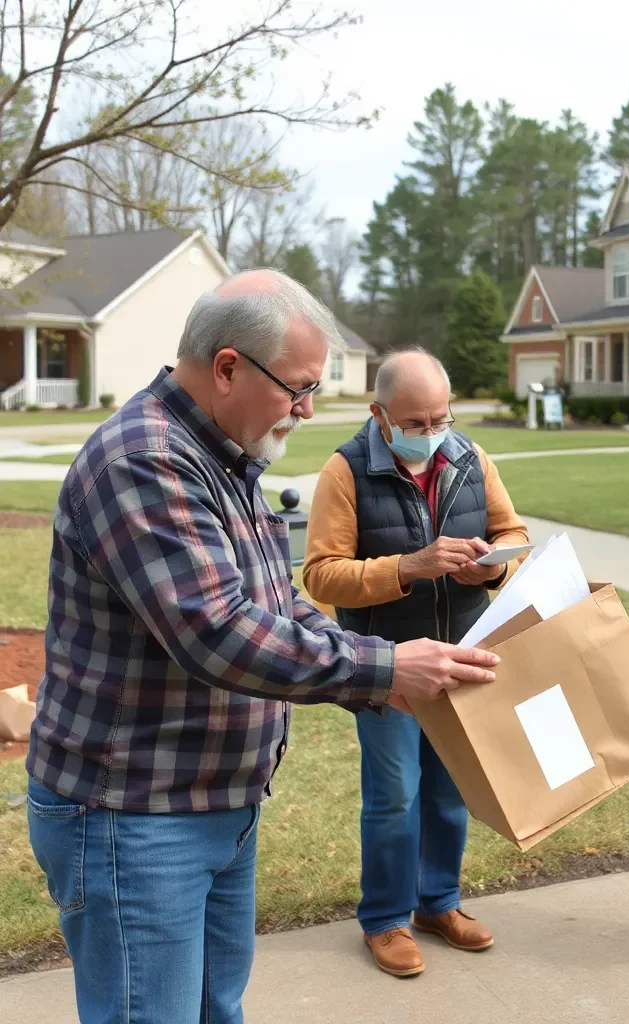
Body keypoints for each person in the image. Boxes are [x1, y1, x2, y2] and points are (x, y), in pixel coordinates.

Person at [25, 271, 499, 1024]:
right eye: (299, 388)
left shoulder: (224, 456)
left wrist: (388, 667)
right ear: (226, 367)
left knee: (216, 1009)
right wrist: (383, 667)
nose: (308, 409)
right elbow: (216, 633)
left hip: (211, 801)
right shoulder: (144, 460)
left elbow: (272, 605)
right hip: (133, 816)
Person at [303, 348, 530, 978]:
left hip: (459, 658)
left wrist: (495, 561)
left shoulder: (470, 457)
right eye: (416, 423)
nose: (430, 434)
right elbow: (322, 574)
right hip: (388, 667)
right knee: (394, 796)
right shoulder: (344, 471)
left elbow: (514, 533)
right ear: (379, 414)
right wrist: (411, 565)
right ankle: (386, 919)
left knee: (450, 789)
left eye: (440, 419)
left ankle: (439, 903)